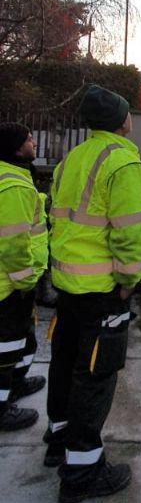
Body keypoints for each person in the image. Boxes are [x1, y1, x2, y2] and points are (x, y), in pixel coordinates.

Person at [46, 85, 141, 503]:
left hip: (69, 286)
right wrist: (130, 281)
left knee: (66, 365)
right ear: (122, 120)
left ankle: (58, 443)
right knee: (94, 377)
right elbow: (129, 232)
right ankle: (82, 475)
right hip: (101, 291)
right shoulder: (123, 162)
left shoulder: (74, 158)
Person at [0, 124, 48, 431]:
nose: (34, 142)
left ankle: (16, 384)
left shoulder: (12, 175)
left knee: (23, 341)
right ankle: (2, 407)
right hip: (10, 285)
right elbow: (13, 243)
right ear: (19, 148)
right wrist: (25, 281)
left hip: (13, 283)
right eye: (29, 139)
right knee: (6, 347)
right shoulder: (15, 186)